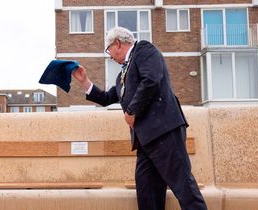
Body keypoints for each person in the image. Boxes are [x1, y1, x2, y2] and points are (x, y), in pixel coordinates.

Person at [72, 27, 207, 210]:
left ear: (117, 43)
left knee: (183, 186)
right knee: (146, 192)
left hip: (164, 131)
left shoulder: (143, 50)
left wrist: (132, 111)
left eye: (108, 50)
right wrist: (84, 81)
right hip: (146, 141)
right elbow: (106, 98)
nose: (109, 56)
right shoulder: (122, 76)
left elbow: (151, 79)